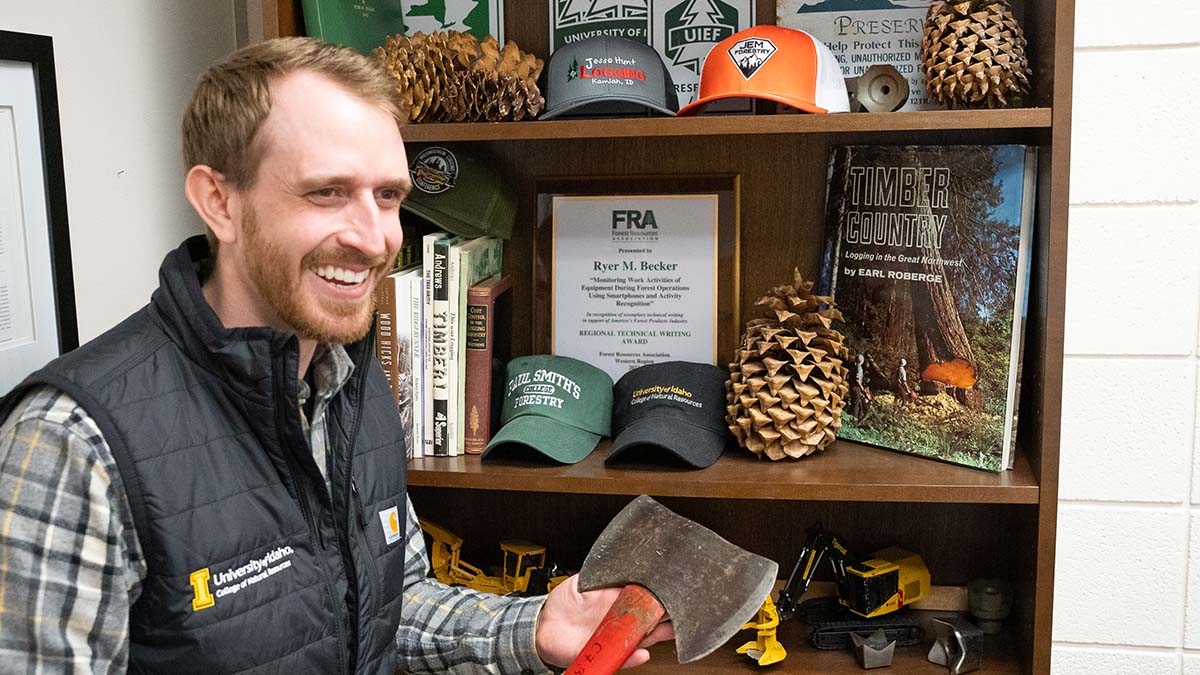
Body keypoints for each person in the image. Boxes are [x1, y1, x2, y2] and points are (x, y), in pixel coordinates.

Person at [0, 38, 671, 674]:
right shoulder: (71, 444)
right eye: (327, 192)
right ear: (219, 202)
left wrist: (533, 628)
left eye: (388, 196)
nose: (375, 237)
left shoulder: (352, 378)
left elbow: (385, 602)